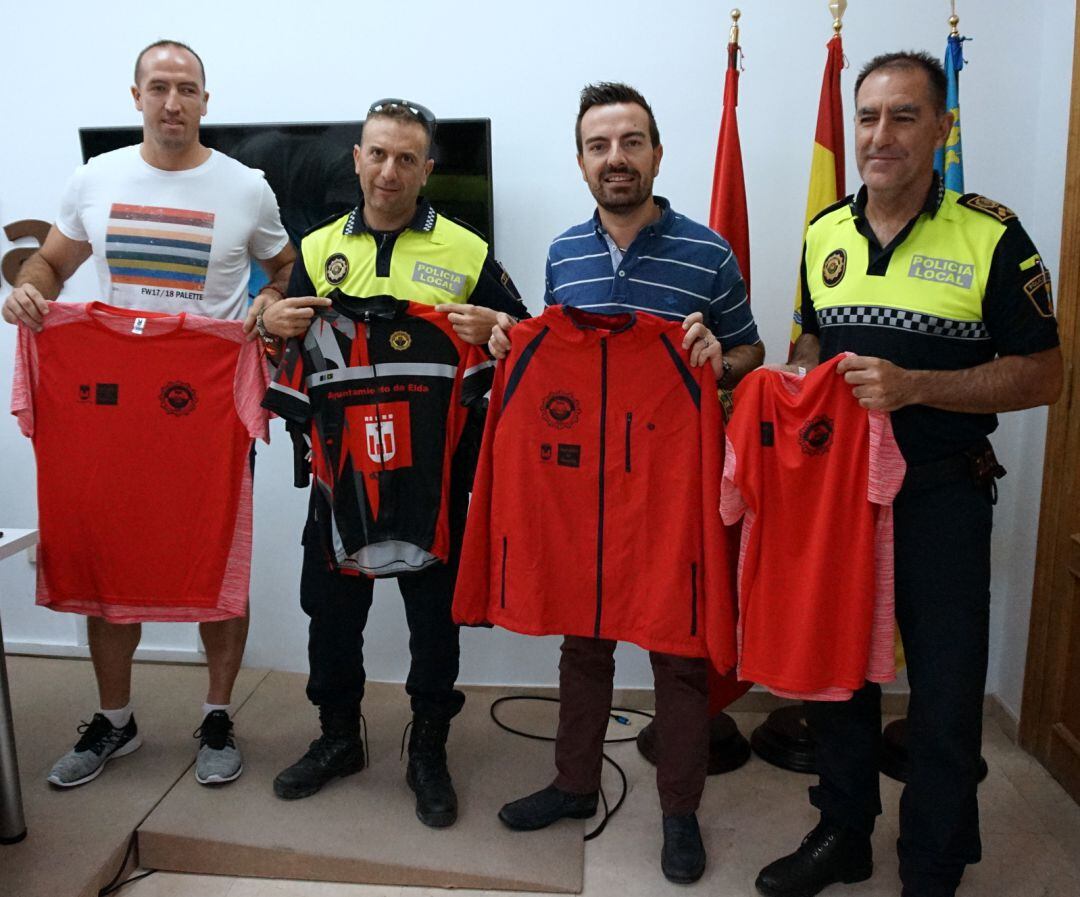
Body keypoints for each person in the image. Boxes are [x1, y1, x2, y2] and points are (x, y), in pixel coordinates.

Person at [755, 52, 1062, 897]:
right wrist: (791, 379)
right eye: (867, 117)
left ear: (941, 128)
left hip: (942, 495)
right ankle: (843, 831)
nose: (879, 135)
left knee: (945, 694)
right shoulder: (825, 232)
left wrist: (917, 385)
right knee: (841, 676)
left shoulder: (993, 234)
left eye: (902, 116)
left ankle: (930, 863)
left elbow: (1043, 374)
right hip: (840, 503)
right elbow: (813, 343)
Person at [489, 82, 764, 884]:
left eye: (631, 141)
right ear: (581, 161)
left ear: (656, 152)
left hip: (669, 486)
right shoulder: (563, 253)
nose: (617, 158)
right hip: (582, 491)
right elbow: (556, 369)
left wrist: (721, 355)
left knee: (679, 653)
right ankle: (574, 783)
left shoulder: (708, 251)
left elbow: (749, 353)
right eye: (600, 145)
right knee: (584, 639)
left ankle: (679, 809)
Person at [1, 40, 295, 787]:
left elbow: (283, 263)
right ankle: (116, 719)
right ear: (135, 96)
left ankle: (218, 711)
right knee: (109, 561)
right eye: (159, 87)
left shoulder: (247, 187)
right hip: (111, 412)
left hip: (210, 406)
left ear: (206, 99)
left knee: (218, 560)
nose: (173, 101)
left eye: (187, 88)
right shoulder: (95, 178)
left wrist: (265, 300)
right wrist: (30, 288)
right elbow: (51, 262)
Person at [268, 98, 528, 829]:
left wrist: (500, 325)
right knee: (329, 612)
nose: (389, 171)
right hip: (340, 472)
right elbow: (278, 333)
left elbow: (527, 336)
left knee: (434, 620)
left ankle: (429, 749)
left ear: (427, 170)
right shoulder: (315, 249)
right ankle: (338, 739)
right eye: (377, 154)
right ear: (356, 159)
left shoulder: (467, 250)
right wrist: (270, 317)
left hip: (436, 475)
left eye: (406, 158)